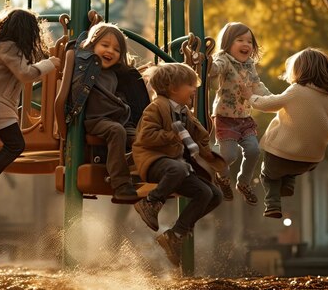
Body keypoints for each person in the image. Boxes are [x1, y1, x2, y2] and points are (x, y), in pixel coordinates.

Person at [132, 63, 227, 267]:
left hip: (177, 165)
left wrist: (208, 151)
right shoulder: (156, 107)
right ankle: (150, 202)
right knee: (179, 168)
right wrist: (173, 134)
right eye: (190, 85)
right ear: (174, 88)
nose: (194, 90)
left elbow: (198, 133)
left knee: (211, 194)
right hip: (153, 160)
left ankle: (175, 235)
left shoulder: (184, 111)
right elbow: (146, 137)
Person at [0, 8, 61, 209]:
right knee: (15, 145)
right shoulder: (10, 48)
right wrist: (50, 63)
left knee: (11, 144)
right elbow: (25, 74)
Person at [240, 47, 328, 218]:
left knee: (268, 175)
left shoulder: (297, 90)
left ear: (300, 71)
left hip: (282, 155)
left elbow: (270, 104)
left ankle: (272, 205)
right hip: (310, 161)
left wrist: (250, 96)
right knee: (290, 167)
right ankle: (289, 184)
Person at [66, 23, 148, 201]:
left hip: (118, 120)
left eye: (116, 49)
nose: (110, 51)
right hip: (95, 120)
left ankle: (124, 169)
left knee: (145, 139)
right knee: (116, 131)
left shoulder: (114, 75)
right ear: (92, 46)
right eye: (105, 45)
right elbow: (78, 49)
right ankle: (120, 184)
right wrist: (88, 30)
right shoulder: (87, 67)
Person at [209, 22, 271, 206]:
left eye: (249, 41)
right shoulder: (224, 59)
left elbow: (257, 85)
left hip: (245, 119)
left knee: (254, 150)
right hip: (225, 119)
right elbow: (214, 69)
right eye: (240, 40)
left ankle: (243, 183)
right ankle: (222, 177)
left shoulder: (250, 65)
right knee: (229, 155)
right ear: (228, 43)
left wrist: (272, 99)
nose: (246, 44)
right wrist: (205, 61)